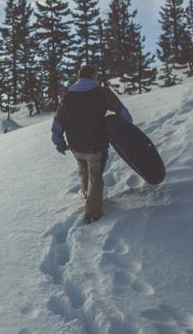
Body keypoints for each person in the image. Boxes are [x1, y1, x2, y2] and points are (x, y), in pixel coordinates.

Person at [51, 65, 132, 223]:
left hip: (75, 145)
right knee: (95, 175)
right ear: (94, 75)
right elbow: (124, 114)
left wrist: (59, 143)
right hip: (95, 144)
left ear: (79, 77)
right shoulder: (102, 92)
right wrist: (126, 131)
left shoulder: (68, 96)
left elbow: (57, 123)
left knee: (83, 170)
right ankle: (93, 212)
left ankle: (88, 196)